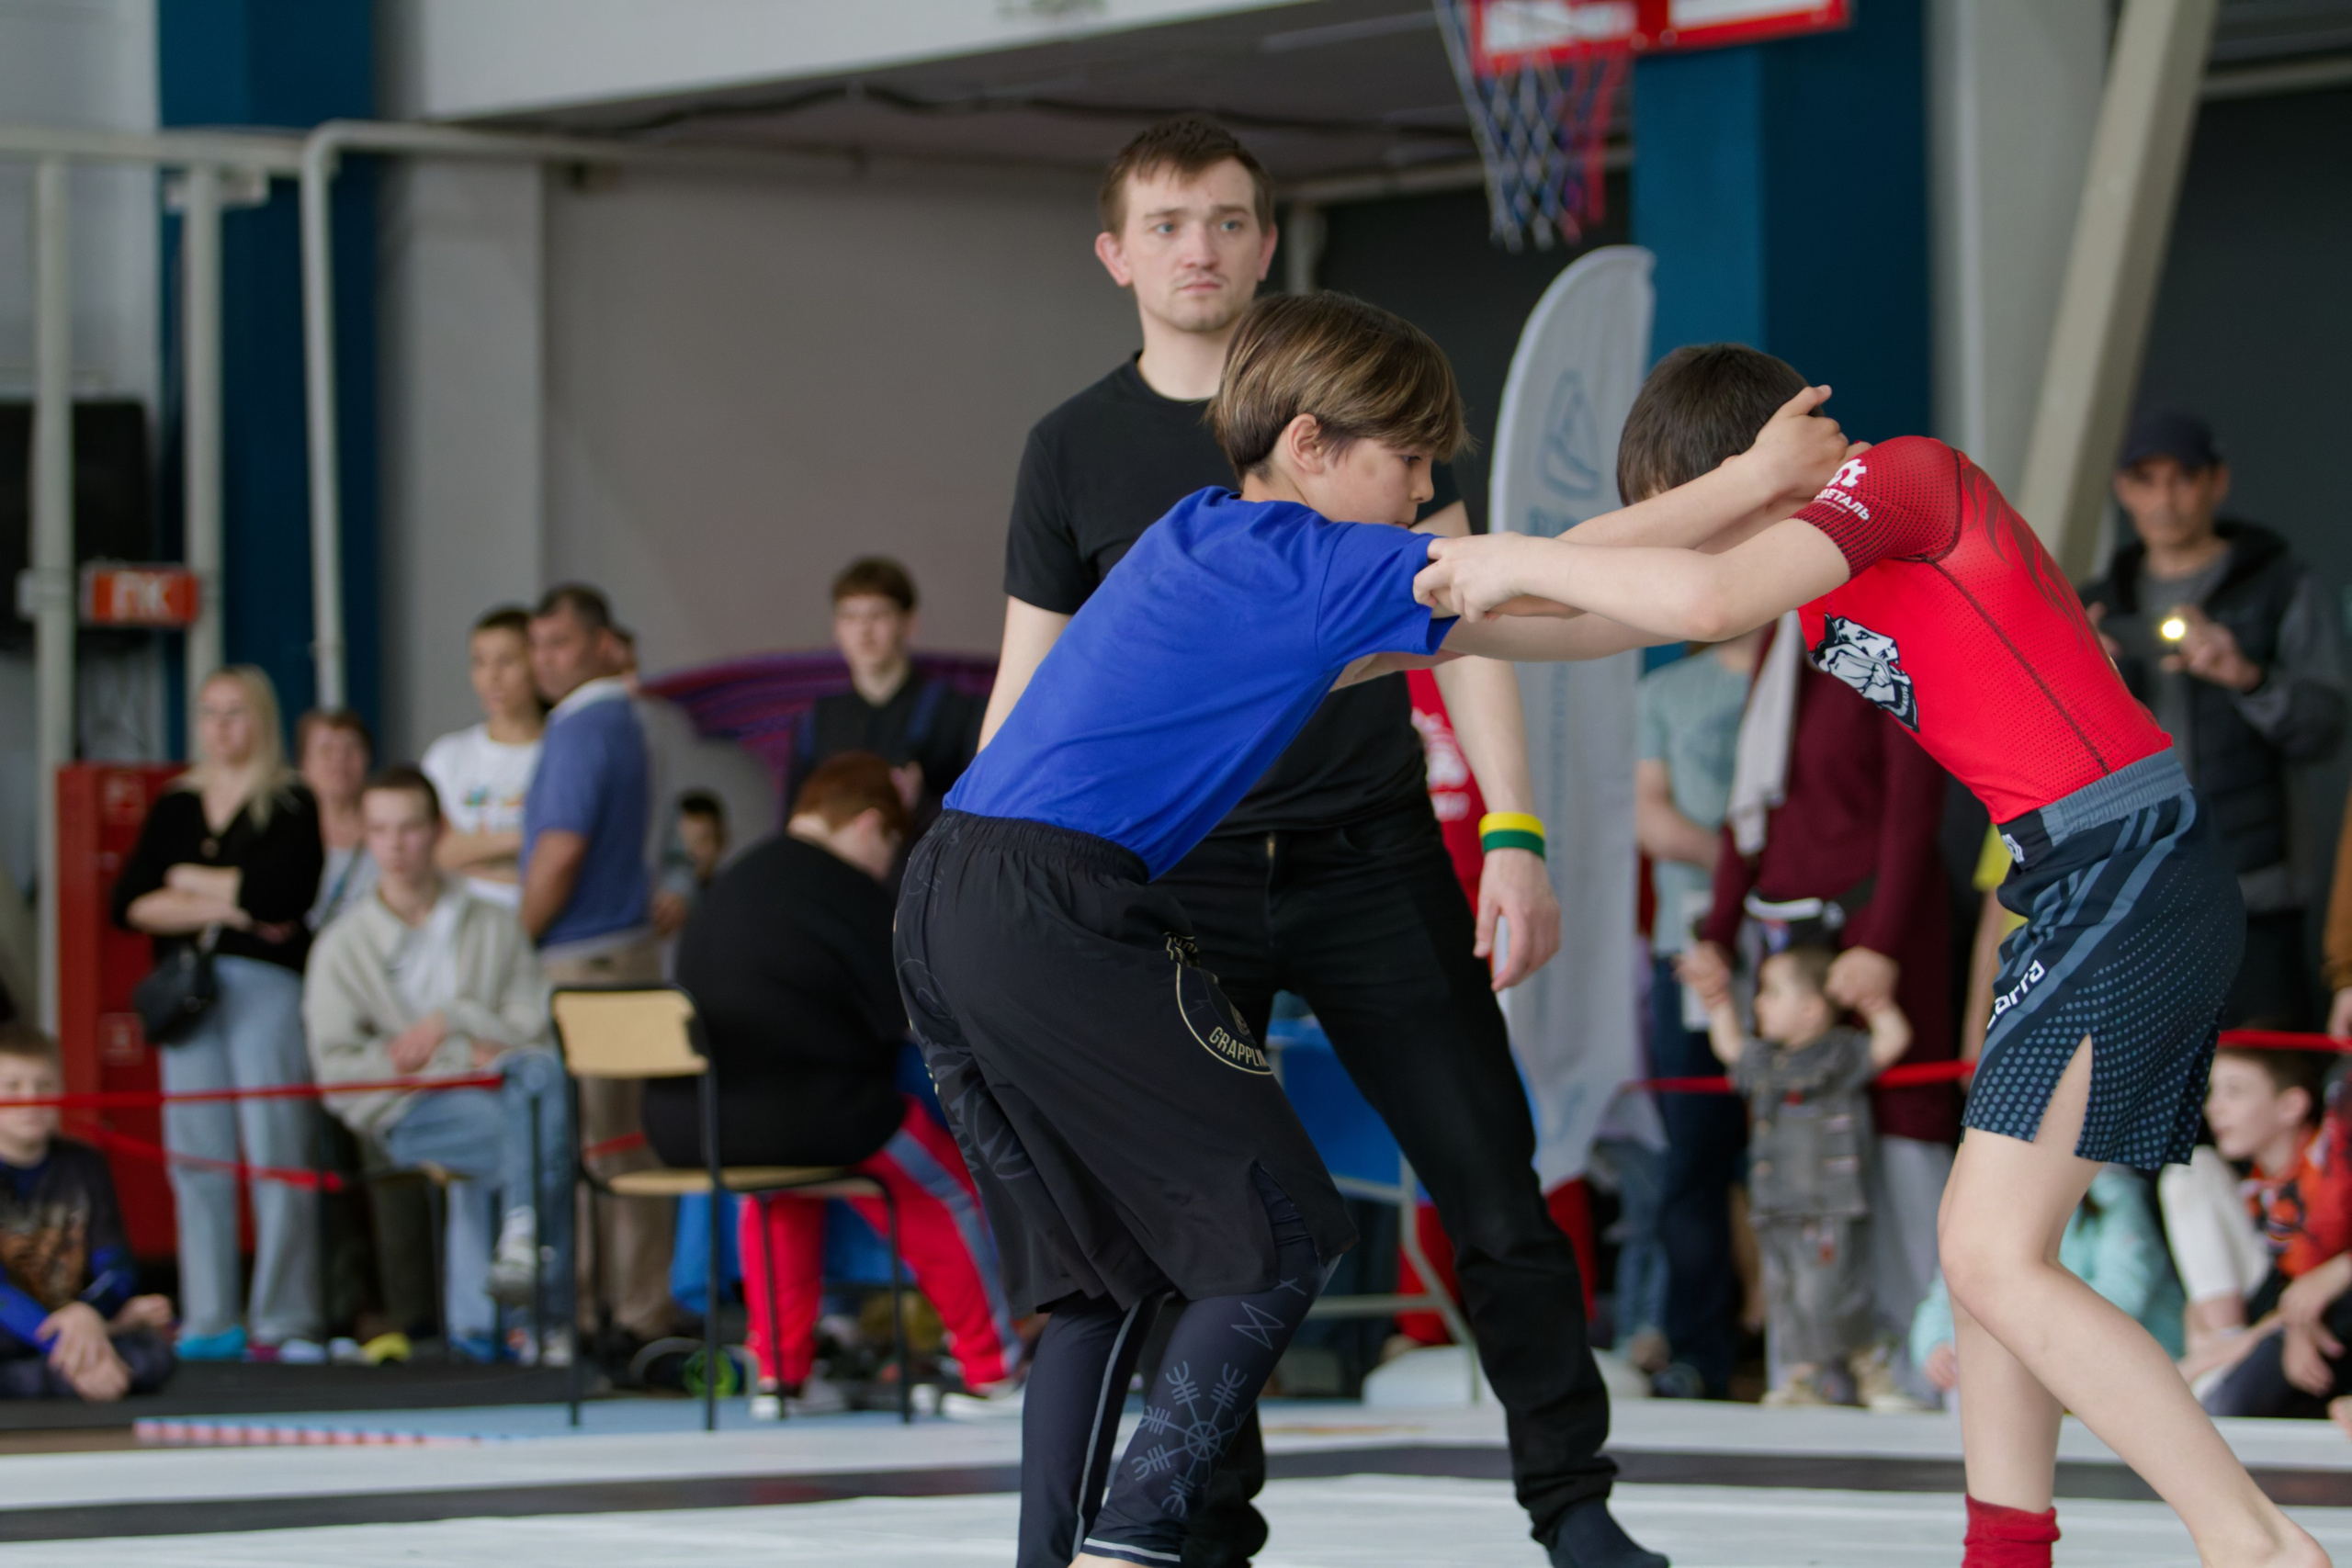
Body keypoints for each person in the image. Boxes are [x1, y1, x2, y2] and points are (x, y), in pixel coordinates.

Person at [901, 292, 1833, 1568]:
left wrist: (1705, 547)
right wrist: (1747, 482)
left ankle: (1060, 1557)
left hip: (950, 896)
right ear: (1308, 444)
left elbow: (1551, 603)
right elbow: (1534, 561)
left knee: (1099, 1282)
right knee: (1285, 1233)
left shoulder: (1203, 542)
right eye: (1405, 462)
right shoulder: (1303, 560)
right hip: (1062, 908)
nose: (1421, 491)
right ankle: (1140, 1535)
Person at [1414, 348, 2324, 1566]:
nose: (1694, 542)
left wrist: (1500, 555)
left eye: (1702, 508)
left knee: (1992, 1253)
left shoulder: (1905, 479)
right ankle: (2008, 1551)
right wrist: (1430, 629)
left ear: (1756, 471)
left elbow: (1687, 599)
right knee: (1990, 1251)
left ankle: (2256, 1542)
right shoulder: (1813, 580)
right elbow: (1591, 615)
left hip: (2130, 862)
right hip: (2079, 878)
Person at [985, 115, 1611, 1568]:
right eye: (1166, 222)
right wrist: (992, 904)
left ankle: (1572, 1505)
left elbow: (1479, 615)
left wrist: (1512, 829)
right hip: (1175, 883)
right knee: (1209, 1220)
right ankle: (1208, 1527)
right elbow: (1030, 690)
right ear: (1116, 253)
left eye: (1226, 218)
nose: (1197, 246)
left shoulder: (1351, 395)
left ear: (1267, 240)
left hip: (1372, 852)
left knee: (1493, 1182)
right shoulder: (1072, 448)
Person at [646, 753, 1015, 1415]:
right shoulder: (846, 890)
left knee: (782, 1194)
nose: (885, 863)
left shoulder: (732, 880)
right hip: (810, 1113)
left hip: (696, 1122)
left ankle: (780, 1381)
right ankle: (996, 1371)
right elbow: (905, 1014)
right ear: (872, 826)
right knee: (942, 1191)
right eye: (889, 846)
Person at [2082, 411, 2345, 1029]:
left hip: (2253, 890)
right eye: (2147, 479)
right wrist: (2089, 683)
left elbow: (2326, 726)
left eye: (2184, 479)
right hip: (2135, 894)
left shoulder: (2277, 584)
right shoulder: (2099, 602)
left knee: (2262, 1089)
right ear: (2123, 489)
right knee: (2160, 1106)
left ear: (2216, 483)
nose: (2166, 499)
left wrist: (2246, 676)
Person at [304, 767, 572, 1365]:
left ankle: (506, 1288)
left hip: (508, 1092)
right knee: (541, 1130)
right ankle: (542, 1318)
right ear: (366, 837)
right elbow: (338, 1072)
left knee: (540, 1092)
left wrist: (451, 1018)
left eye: (410, 828)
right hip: (407, 1110)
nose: (395, 846)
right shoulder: (342, 946)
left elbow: (536, 1023)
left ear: (438, 831)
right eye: (380, 830)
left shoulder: (493, 923)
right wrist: (457, 1051)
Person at [114, 666, 325, 1363]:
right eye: (209, 711)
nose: (220, 726)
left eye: (235, 712)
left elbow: (285, 893)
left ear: (261, 718)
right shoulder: (176, 803)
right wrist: (233, 903)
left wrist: (189, 883)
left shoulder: (291, 799)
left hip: (265, 987)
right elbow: (129, 901)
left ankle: (284, 1316)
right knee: (196, 1155)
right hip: (188, 994)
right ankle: (210, 1314)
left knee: (277, 1149)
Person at [519, 583, 676, 1354]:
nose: (543, 659)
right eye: (537, 645)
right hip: (624, 948)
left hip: (587, 955)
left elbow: (560, 848)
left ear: (602, 645)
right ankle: (629, 1308)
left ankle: (604, 1315)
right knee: (620, 1140)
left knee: (595, 1144)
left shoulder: (584, 727)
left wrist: (521, 933)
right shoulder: (625, 722)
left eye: (558, 642)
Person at [1681, 942, 1917, 1407]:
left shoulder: (1840, 1055)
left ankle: (1873, 1367)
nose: (1759, 1003)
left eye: (1771, 992)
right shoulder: (1764, 1061)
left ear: (1811, 1009)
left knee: (1829, 1291)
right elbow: (1729, 1046)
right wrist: (1717, 1001)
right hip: (1776, 1203)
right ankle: (1805, 1377)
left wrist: (1875, 1003)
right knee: (1787, 1295)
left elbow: (1892, 1041)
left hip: (1830, 1202)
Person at [1633, 624, 1764, 1392]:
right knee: (1695, 1153)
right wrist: (1743, 866)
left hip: (1794, 940)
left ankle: (1808, 1343)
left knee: (1807, 1144)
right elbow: (1651, 819)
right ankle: (1698, 1345)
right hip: (1689, 942)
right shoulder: (1664, 692)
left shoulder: (1816, 675)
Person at [2158, 1048, 2352, 1418]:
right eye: (2213, 1092)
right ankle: (2222, 1356)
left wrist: (2215, 1355)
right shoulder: (2255, 1190)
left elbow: (2308, 1294)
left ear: (2291, 1105)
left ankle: (2221, 1363)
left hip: (2325, 1323)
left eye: (2235, 1091)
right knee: (2191, 1170)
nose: (2215, 1108)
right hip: (2259, 1326)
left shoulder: (2335, 1171)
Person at [0, 1023, 177, 1400]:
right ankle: (83, 1372)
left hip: (79, 1321)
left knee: (156, 1352)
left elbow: (116, 1266)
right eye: (12, 1087)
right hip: (17, 1329)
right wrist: (69, 1338)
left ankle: (69, 1373)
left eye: (44, 1085)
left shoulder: (86, 1164)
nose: (31, 1100)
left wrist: (91, 1317)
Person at [1912, 1166, 2187, 1403]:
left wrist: (2027, 1334)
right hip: (2031, 1358)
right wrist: (1935, 1346)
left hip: (2124, 1362)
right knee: (1979, 1362)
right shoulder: (1988, 1203)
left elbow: (2124, 1292)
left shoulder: (2113, 1194)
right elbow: (1946, 1291)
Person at [796, 558, 985, 823]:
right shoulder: (817, 720)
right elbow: (794, 821)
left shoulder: (955, 711)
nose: (863, 629)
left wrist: (923, 803)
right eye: (850, 616)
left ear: (909, 623)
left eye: (878, 615)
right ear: (836, 627)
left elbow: (981, 810)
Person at [423, 605, 545, 910]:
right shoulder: (447, 755)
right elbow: (433, 854)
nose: (491, 677)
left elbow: (560, 860)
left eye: (507, 661)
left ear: (536, 663)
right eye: (479, 662)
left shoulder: (560, 753)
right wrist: (521, 840)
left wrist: (470, 853)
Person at [299, 708, 378, 931]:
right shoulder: (285, 836)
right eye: (326, 750)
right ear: (303, 764)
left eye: (350, 749)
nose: (339, 760)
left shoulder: (390, 829)